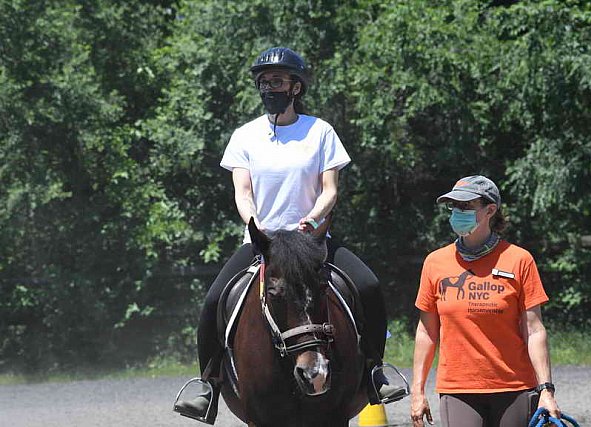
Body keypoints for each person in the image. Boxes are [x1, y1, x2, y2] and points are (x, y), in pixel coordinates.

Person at [174, 47, 405, 424]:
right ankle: (209, 385)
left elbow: (330, 189)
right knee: (213, 300)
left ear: (296, 87)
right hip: (262, 243)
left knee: (368, 285)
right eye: (264, 82)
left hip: (311, 242)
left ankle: (375, 373)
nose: (269, 88)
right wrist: (255, 224)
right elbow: (242, 192)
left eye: (277, 81)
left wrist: (314, 218)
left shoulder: (319, 131)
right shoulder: (245, 136)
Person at [410, 175, 561, 427]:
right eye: (454, 206)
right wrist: (417, 391)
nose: (458, 212)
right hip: (459, 388)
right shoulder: (435, 263)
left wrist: (547, 391)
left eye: (466, 206)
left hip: (514, 388)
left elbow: (534, 331)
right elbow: (426, 332)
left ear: (490, 210)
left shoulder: (519, 260)